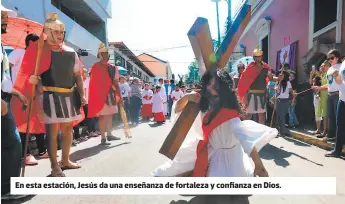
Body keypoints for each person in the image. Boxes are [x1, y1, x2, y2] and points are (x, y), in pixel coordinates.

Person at [152, 70, 277, 203]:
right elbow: (177, 109)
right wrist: (187, 97)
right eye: (208, 84)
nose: (210, 88)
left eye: (214, 85)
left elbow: (245, 138)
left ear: (223, 86)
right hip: (211, 149)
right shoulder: (202, 101)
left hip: (231, 155)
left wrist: (258, 164)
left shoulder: (230, 109)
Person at [11, 13, 86, 178]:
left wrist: (82, 94)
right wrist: (33, 79)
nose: (60, 36)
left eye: (62, 32)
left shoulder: (71, 52)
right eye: (56, 32)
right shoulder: (38, 49)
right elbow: (28, 73)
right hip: (48, 96)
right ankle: (54, 167)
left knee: (68, 130)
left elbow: (78, 76)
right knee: (51, 133)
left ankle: (65, 160)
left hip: (69, 95)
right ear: (48, 32)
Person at [1, 4, 29, 199]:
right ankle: (7, 189)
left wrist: (17, 93)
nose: (5, 19)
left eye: (5, 16)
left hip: (5, 97)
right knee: (12, 143)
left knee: (9, 144)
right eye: (2, 16)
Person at [88, 43, 122, 145]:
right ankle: (103, 137)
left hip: (110, 94)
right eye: (105, 53)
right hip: (100, 95)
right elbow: (93, 83)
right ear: (101, 55)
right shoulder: (95, 67)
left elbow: (116, 82)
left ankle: (109, 134)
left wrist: (119, 95)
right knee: (102, 116)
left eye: (107, 53)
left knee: (109, 115)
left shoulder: (113, 67)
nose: (107, 55)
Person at [237, 46, 272, 125]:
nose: (257, 58)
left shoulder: (265, 67)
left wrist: (279, 77)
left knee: (261, 115)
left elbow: (271, 78)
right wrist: (245, 97)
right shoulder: (249, 67)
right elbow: (244, 83)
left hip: (262, 94)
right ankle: (243, 129)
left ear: (261, 57)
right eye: (255, 57)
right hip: (252, 94)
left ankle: (261, 132)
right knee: (249, 114)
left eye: (259, 57)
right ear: (253, 57)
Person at [312, 50, 342, 142]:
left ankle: (339, 138)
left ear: (337, 57)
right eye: (328, 58)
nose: (329, 60)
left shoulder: (341, 67)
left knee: (338, 118)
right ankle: (331, 136)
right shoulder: (330, 69)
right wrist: (320, 87)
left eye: (331, 58)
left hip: (338, 94)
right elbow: (329, 84)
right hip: (330, 95)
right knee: (330, 116)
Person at [325, 56, 345, 157]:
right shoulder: (343, 64)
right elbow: (339, 81)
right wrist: (336, 75)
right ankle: (337, 151)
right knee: (340, 125)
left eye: (331, 57)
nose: (329, 59)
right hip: (342, 99)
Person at [273, 71, 295, 136]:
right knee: (278, 117)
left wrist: (294, 94)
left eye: (282, 75)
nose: (280, 76)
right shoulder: (277, 83)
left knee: (282, 116)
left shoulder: (288, 83)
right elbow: (277, 91)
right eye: (279, 75)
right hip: (278, 100)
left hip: (284, 101)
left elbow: (291, 91)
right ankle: (281, 130)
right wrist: (279, 82)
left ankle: (283, 131)